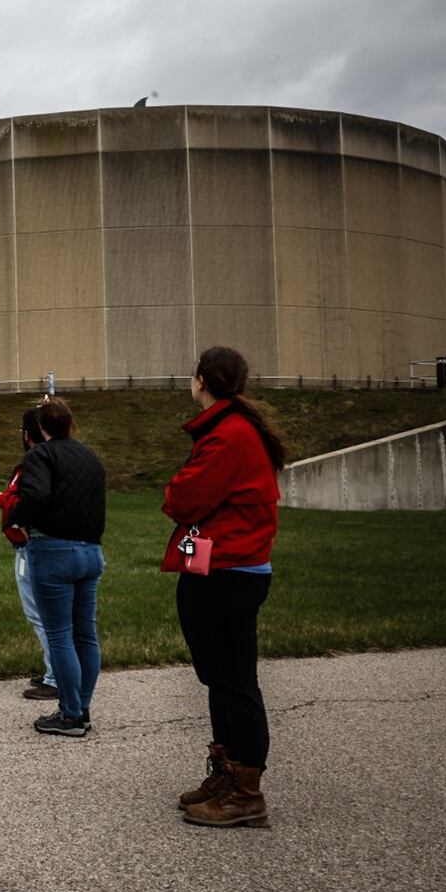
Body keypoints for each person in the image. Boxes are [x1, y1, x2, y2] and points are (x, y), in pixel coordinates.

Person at [163, 346, 285, 828]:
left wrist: (176, 490)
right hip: (218, 564)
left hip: (228, 570)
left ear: (200, 380)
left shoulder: (229, 434)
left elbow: (183, 497)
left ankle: (246, 791)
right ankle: (227, 772)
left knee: (234, 680)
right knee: (220, 678)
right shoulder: (231, 429)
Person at [10, 395, 106, 737]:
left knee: (60, 634)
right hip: (91, 551)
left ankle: (70, 714)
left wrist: (18, 518)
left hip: (53, 551)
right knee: (86, 633)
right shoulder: (90, 457)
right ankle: (82, 706)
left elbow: (34, 495)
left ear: (40, 428)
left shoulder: (41, 454)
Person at [0, 408, 57, 701]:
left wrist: (2, 499)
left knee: (40, 614)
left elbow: (28, 498)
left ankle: (55, 677)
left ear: (28, 436)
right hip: (52, 545)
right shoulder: (58, 458)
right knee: (55, 615)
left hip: (32, 547)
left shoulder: (34, 463)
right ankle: (56, 669)